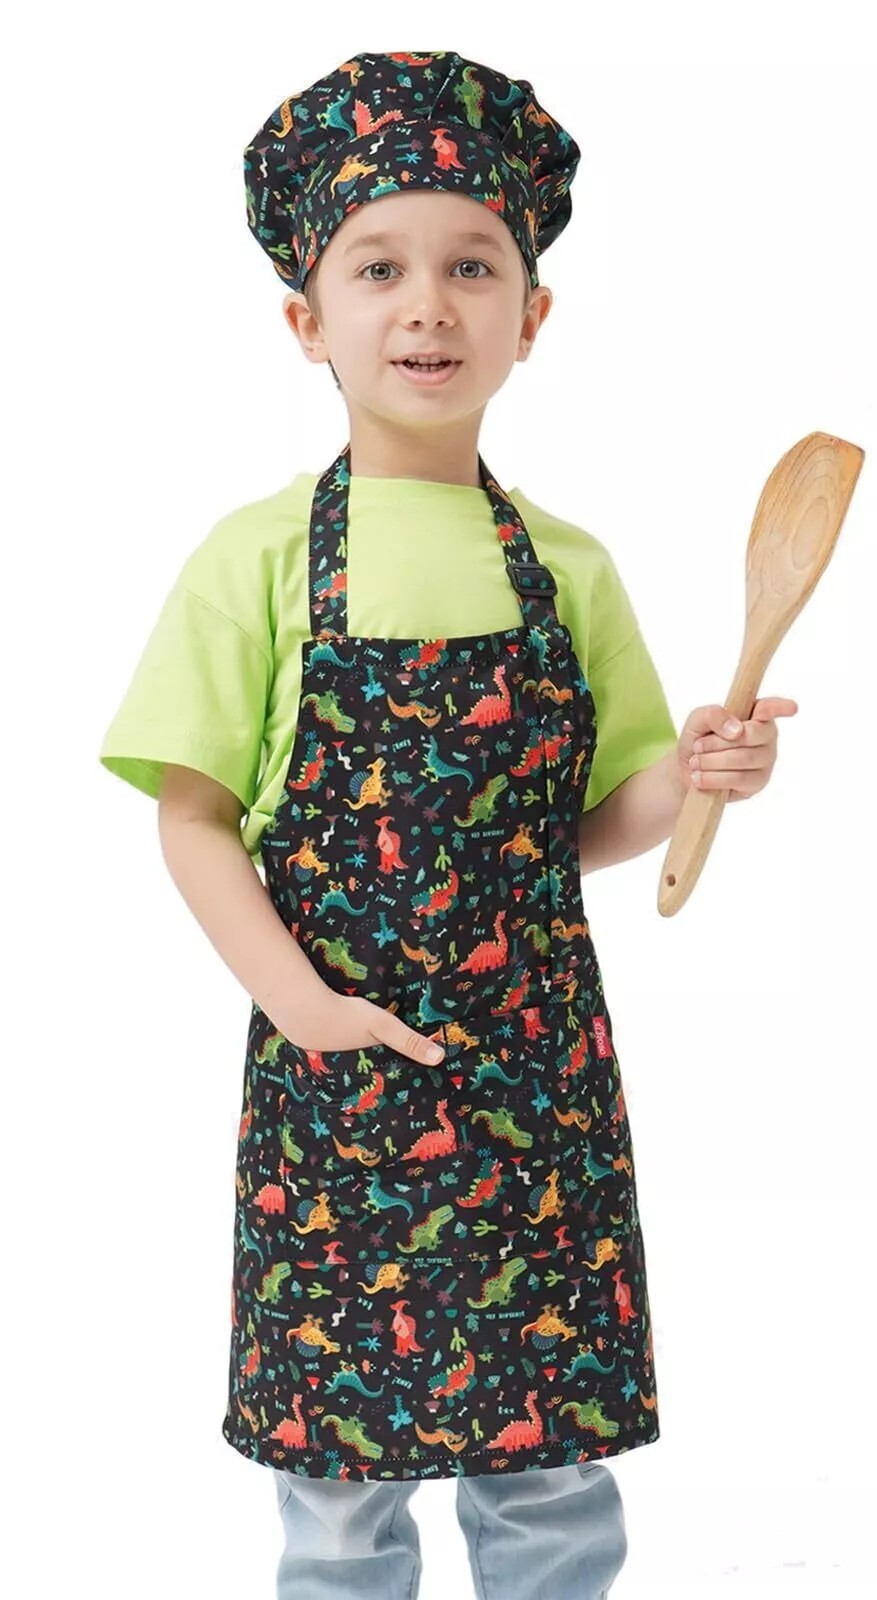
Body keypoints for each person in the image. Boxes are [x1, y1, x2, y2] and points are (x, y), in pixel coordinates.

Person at [99, 46, 794, 1600]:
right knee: (342, 1490)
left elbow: (587, 823)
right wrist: (303, 1008)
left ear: (532, 317)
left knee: (549, 1467)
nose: (429, 305)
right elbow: (194, 820)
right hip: (336, 1084)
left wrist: (697, 773)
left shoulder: (570, 565)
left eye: (474, 266)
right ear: (307, 319)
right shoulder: (257, 558)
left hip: (534, 1083)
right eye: (380, 267)